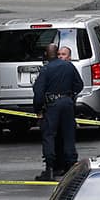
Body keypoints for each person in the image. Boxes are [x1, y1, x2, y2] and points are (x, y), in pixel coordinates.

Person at [32, 44, 83, 181]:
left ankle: (50, 169)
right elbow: (79, 85)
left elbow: (38, 92)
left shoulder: (46, 69)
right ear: (57, 53)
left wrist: (38, 109)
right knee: (68, 134)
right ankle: (71, 166)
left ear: (47, 54)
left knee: (49, 135)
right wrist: (70, 96)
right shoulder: (69, 66)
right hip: (67, 103)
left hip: (52, 105)